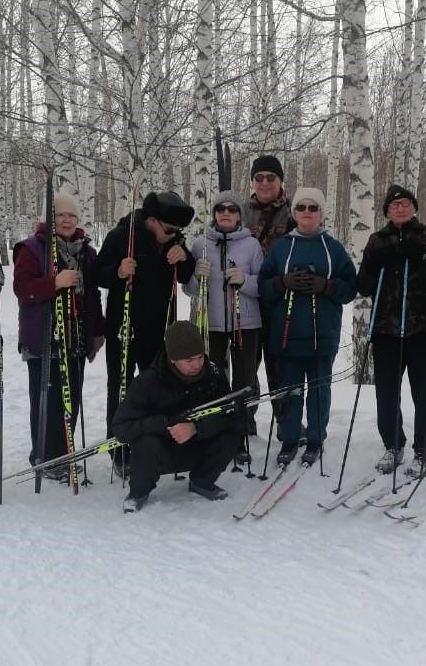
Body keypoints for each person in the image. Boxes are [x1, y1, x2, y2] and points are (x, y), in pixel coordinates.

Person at [94, 190, 195, 471]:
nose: (174, 234)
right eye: (170, 229)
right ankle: (119, 449)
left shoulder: (174, 241)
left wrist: (183, 256)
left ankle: (157, 444)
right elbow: (97, 274)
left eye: (178, 231)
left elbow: (186, 276)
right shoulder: (121, 237)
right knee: (121, 390)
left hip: (161, 331)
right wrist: (117, 272)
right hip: (124, 330)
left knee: (161, 391)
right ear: (152, 220)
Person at [258, 187, 357, 466]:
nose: (307, 213)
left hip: (321, 335)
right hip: (287, 335)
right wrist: (282, 283)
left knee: (318, 390)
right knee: (290, 390)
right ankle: (290, 439)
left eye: (313, 208)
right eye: (301, 207)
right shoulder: (282, 247)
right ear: (295, 213)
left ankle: (315, 439)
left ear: (321, 213)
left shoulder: (333, 248)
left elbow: (351, 288)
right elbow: (263, 287)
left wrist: (327, 286)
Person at [356, 184, 426, 476]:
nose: (400, 208)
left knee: (425, 393)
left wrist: (419, 257)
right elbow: (364, 285)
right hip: (386, 330)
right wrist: (374, 262)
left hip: (423, 329)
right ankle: (393, 444)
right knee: (386, 392)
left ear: (415, 208)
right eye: (394, 205)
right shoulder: (376, 240)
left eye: (406, 203)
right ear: (386, 211)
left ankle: (425, 449)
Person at [13, 192, 105, 477]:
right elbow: (22, 288)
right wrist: (55, 283)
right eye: (60, 216)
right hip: (44, 337)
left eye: (71, 216)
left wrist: (97, 330)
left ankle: (63, 453)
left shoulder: (86, 252)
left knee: (71, 399)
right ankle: (45, 457)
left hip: (75, 336)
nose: (66, 221)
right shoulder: (31, 249)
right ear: (50, 219)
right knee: (47, 401)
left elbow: (92, 295)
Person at [112, 321, 242, 512]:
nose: (197, 364)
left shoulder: (213, 374)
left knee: (230, 437)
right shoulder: (147, 382)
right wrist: (164, 424)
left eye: (199, 357)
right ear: (173, 359)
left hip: (198, 445)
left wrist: (196, 428)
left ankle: (202, 482)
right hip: (162, 451)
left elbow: (233, 416)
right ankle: (138, 493)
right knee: (146, 443)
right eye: (189, 360)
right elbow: (121, 428)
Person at [185, 189, 264, 463]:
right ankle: (216, 433)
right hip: (212, 323)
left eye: (232, 209)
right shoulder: (200, 244)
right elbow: (190, 290)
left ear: (239, 215)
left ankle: (240, 434)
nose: (226, 213)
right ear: (215, 214)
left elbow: (262, 285)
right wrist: (196, 277)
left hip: (247, 322)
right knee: (215, 380)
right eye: (221, 209)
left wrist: (244, 280)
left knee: (244, 379)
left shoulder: (251, 245)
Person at [242, 155, 295, 431]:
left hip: (280, 303)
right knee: (246, 369)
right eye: (259, 177)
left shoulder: (295, 212)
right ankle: (245, 423)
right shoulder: (239, 212)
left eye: (270, 178)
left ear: (280, 181)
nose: (264, 183)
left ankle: (286, 424)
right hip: (247, 302)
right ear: (252, 181)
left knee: (279, 368)